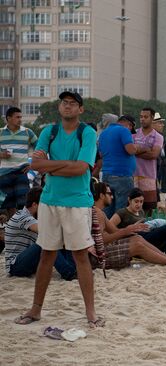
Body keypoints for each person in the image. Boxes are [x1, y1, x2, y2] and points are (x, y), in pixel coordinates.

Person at [15, 91, 104, 327]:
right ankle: (35, 309)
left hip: (77, 202)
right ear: (59, 107)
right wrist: (66, 165)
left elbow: (81, 169)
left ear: (80, 109)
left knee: (81, 256)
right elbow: (35, 165)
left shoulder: (86, 132)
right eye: (64, 103)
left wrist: (51, 166)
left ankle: (91, 313)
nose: (67, 107)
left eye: (73, 104)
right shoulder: (48, 131)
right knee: (46, 254)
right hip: (50, 200)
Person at [90, 182, 166, 269]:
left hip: (104, 250)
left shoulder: (101, 213)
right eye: (109, 193)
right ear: (101, 195)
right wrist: (125, 231)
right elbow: (101, 240)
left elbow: (114, 231)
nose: (112, 196)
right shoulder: (98, 213)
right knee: (138, 245)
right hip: (99, 257)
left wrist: (130, 229)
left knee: (137, 238)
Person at [4, 187, 76, 280]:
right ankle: (69, 273)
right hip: (15, 267)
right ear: (34, 204)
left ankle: (73, 269)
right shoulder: (22, 216)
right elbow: (45, 231)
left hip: (30, 263)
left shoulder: (35, 218)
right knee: (46, 241)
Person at [98, 114, 138, 218]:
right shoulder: (124, 130)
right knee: (122, 211)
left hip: (107, 174)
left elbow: (101, 154)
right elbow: (131, 150)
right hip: (122, 176)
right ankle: (119, 233)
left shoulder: (103, 134)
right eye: (131, 127)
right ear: (129, 124)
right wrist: (137, 147)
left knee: (108, 209)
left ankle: (107, 232)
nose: (130, 130)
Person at [0, 107, 38, 216]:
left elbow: (39, 147)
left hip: (22, 171)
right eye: (17, 117)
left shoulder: (27, 132)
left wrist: (32, 164)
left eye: (21, 117)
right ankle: (15, 226)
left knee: (24, 201)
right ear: (9, 118)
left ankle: (23, 224)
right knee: (8, 203)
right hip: (4, 173)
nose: (20, 119)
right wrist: (1, 155)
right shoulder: (1, 132)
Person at [133, 107, 163, 216]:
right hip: (134, 176)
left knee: (148, 209)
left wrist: (137, 151)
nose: (142, 119)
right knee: (134, 208)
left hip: (149, 177)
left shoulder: (158, 136)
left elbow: (154, 155)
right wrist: (146, 149)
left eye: (145, 117)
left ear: (152, 118)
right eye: (141, 117)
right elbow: (130, 150)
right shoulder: (134, 134)